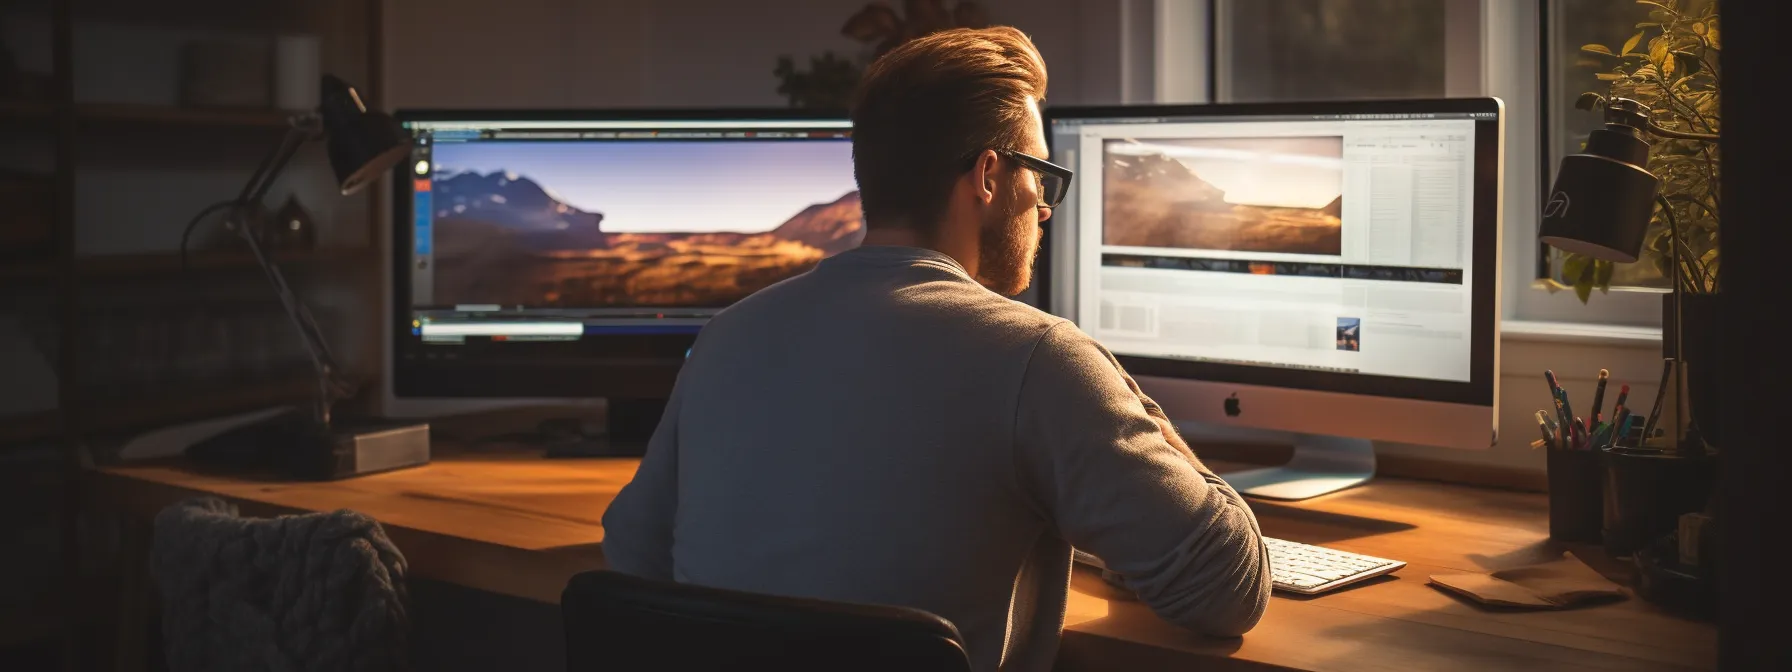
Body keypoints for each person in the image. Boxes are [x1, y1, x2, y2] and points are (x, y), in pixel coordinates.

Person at [602, 26, 1270, 671]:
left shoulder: (728, 335)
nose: (1042, 205)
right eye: (1038, 172)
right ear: (988, 175)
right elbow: (1226, 593)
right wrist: (1128, 404)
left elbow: (633, 554)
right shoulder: (1036, 357)